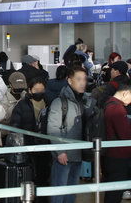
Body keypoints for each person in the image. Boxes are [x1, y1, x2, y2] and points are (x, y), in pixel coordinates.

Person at [47, 66, 94, 203]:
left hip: (78, 155)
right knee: (59, 192)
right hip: (64, 156)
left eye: (84, 79)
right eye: (78, 79)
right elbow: (52, 128)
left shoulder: (86, 101)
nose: (82, 83)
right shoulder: (59, 102)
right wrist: (60, 151)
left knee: (71, 193)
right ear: (69, 81)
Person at [103, 79, 131, 203]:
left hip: (110, 154)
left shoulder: (108, 104)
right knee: (114, 194)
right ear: (125, 93)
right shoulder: (117, 109)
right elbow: (125, 135)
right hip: (118, 157)